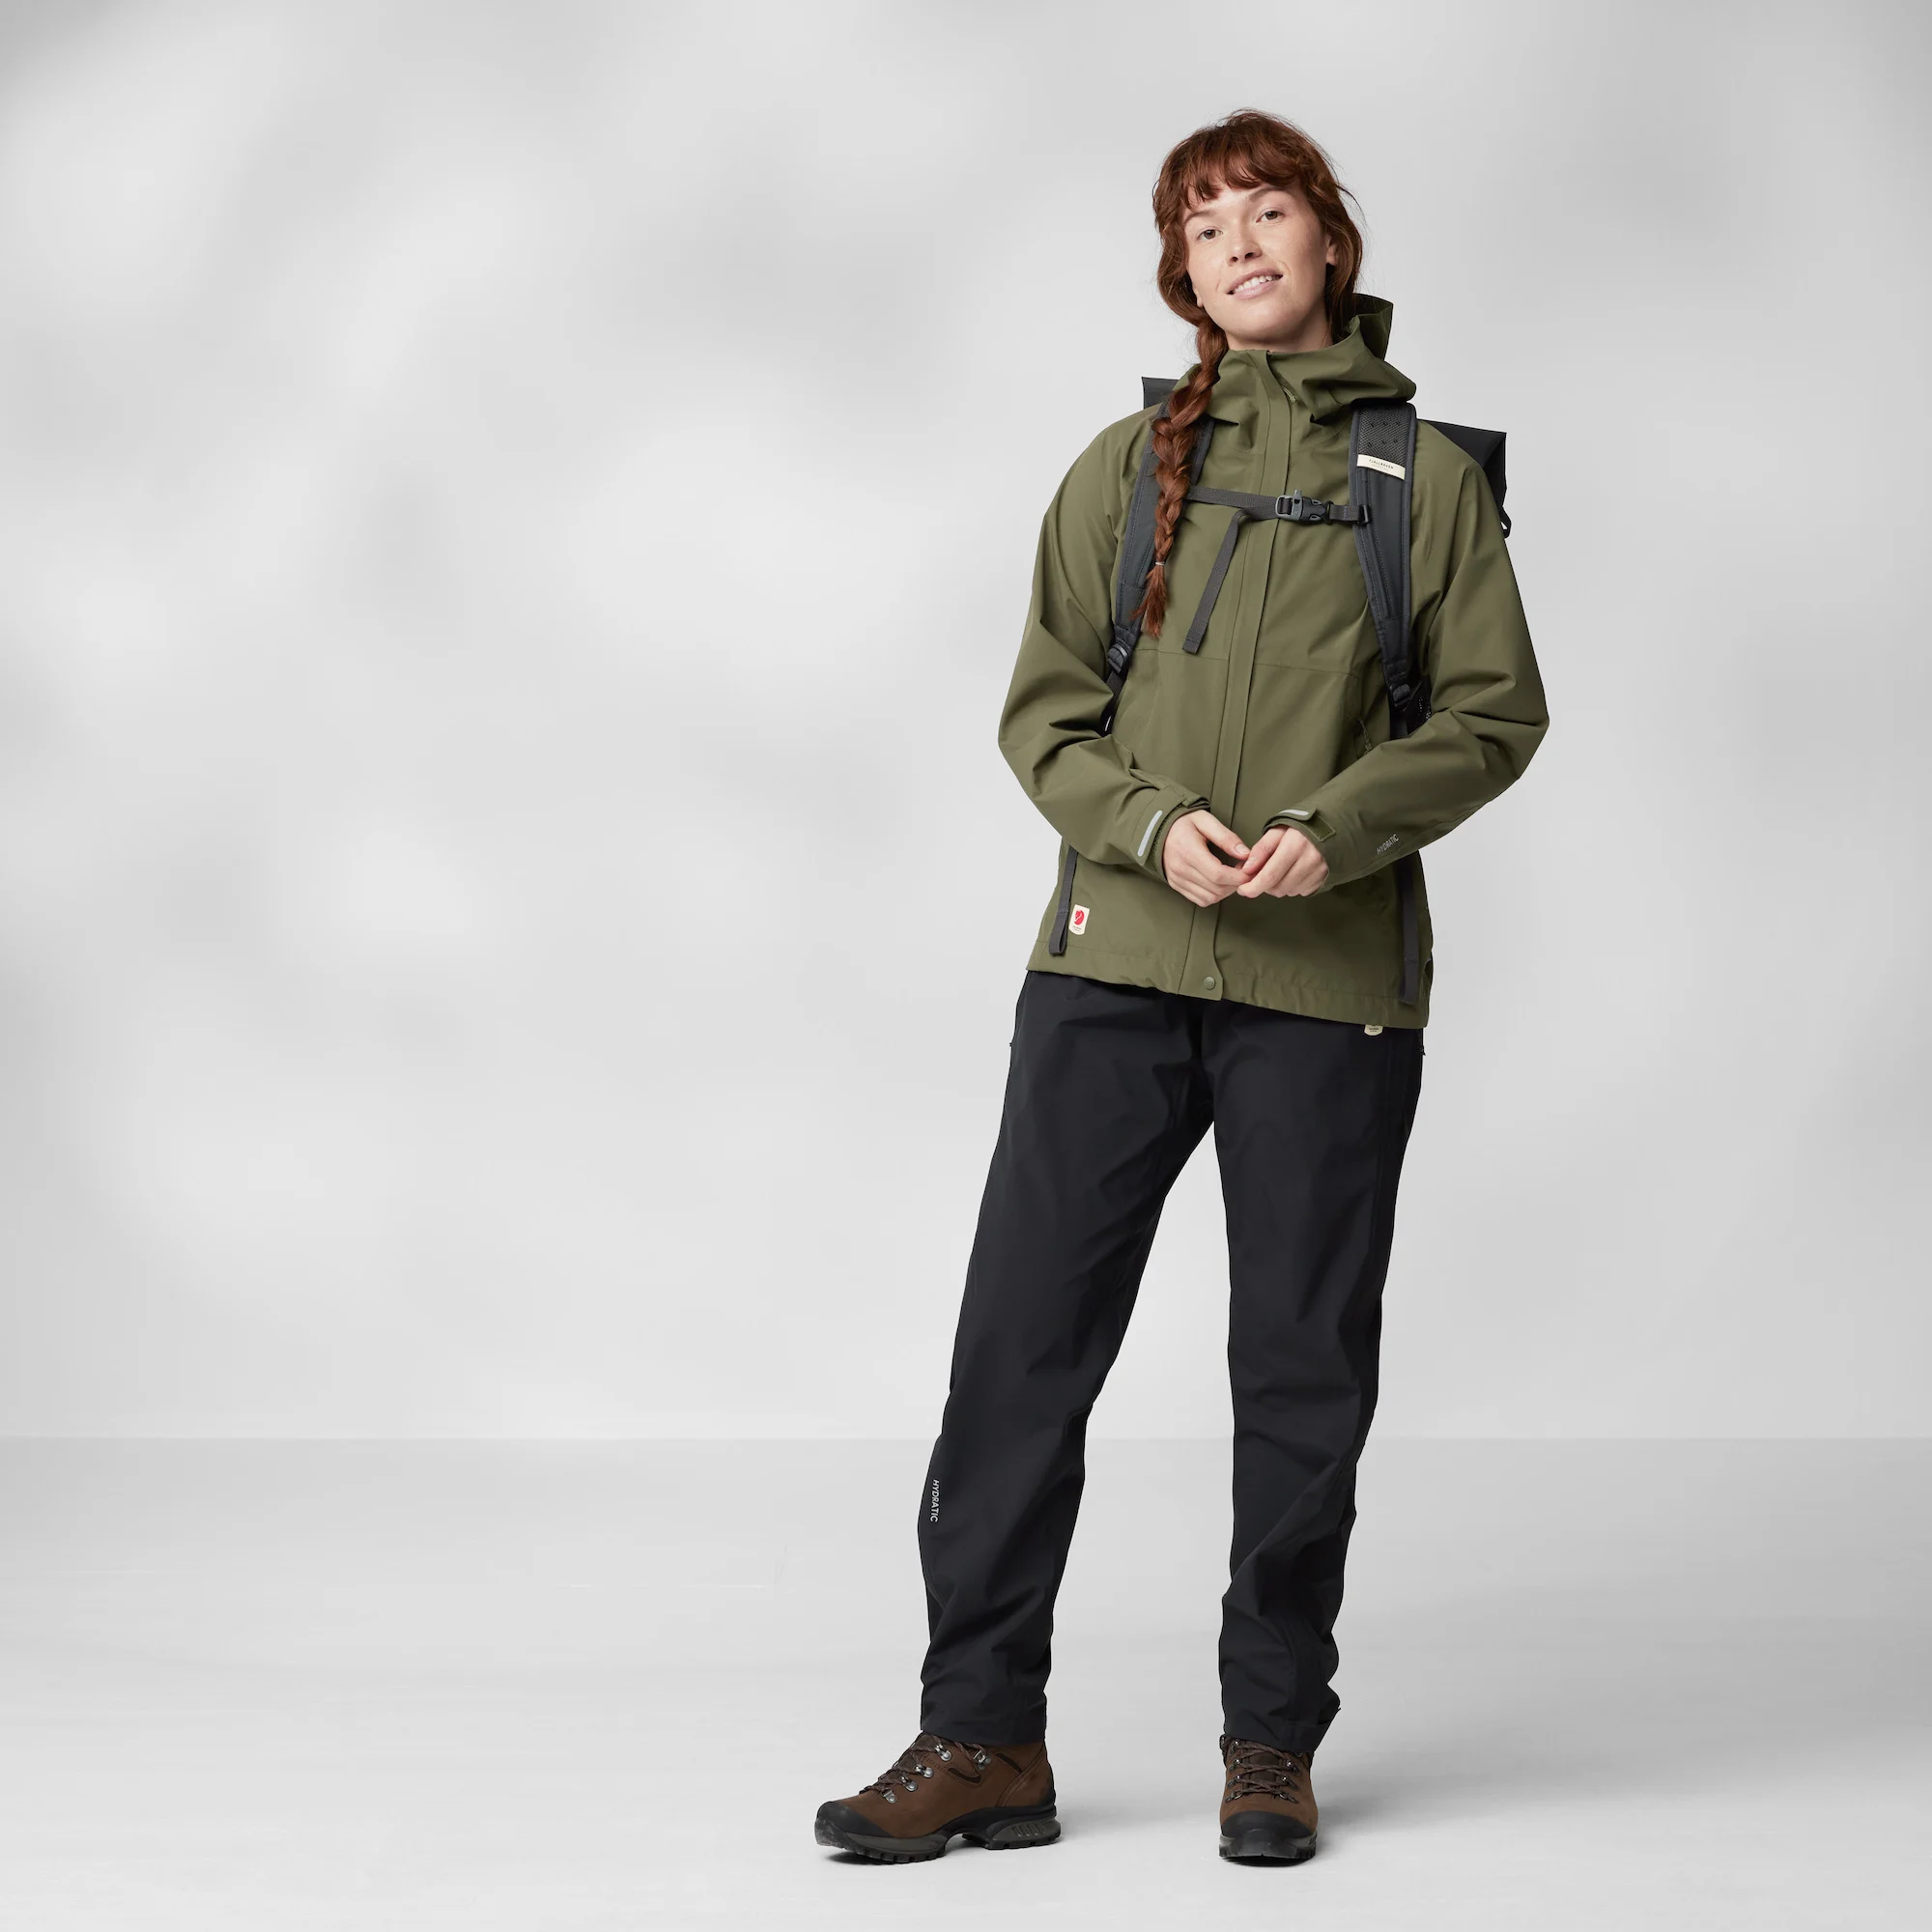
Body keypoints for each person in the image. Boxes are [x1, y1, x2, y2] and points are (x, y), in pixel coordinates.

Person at [814, 106, 1548, 1868]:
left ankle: (1270, 1744)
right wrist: (1147, 825)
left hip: (1329, 986)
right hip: (1112, 968)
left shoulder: (1422, 482)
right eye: (1203, 226)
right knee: (1017, 1353)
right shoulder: (1122, 468)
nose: (1237, 244)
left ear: (1328, 241)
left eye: (1265, 210)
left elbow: (1493, 714)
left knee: (1301, 1376)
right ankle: (981, 1737)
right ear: (1182, 275)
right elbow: (1045, 714)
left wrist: (1336, 830)